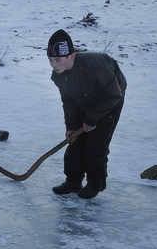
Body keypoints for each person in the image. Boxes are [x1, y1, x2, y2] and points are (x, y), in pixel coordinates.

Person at [47, 29, 127, 199]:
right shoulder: (58, 75)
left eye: (58, 60)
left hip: (109, 101)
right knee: (74, 141)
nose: (53, 64)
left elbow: (114, 94)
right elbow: (68, 101)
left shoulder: (94, 65)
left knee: (95, 144)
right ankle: (73, 181)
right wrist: (70, 127)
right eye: (51, 60)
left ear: (72, 56)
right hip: (82, 99)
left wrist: (91, 118)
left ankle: (95, 183)